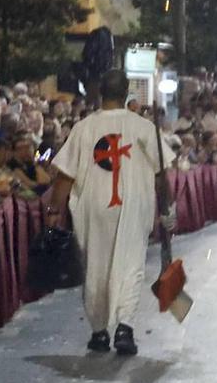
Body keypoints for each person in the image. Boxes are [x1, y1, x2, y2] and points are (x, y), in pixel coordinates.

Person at [46, 69, 167, 355]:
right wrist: (167, 208)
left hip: (93, 205)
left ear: (101, 92)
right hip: (133, 204)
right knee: (130, 265)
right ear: (127, 93)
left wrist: (54, 211)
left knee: (95, 266)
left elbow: (65, 175)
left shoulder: (83, 128)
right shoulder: (144, 128)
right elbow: (162, 174)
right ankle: (124, 326)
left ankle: (99, 331)